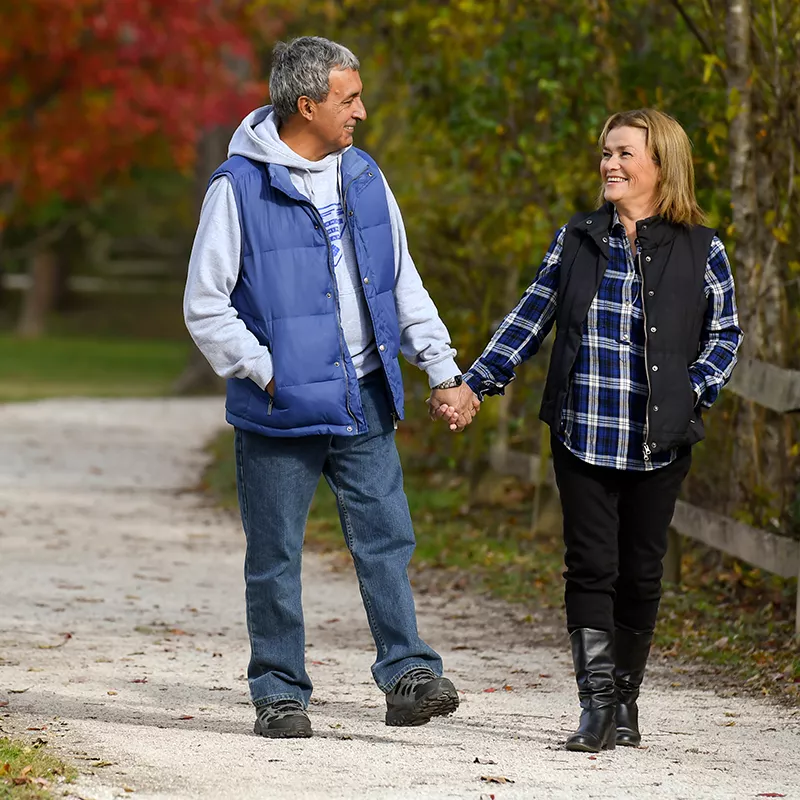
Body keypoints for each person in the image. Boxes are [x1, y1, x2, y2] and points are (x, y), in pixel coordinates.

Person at [184, 36, 477, 738]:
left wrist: (442, 368)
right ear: (306, 104)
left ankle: (408, 675)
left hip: (364, 394)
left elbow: (400, 280)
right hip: (280, 406)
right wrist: (271, 370)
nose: (362, 112)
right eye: (349, 99)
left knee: (386, 538)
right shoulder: (238, 188)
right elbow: (205, 304)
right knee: (276, 553)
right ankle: (279, 693)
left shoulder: (365, 176)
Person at [433, 108, 743, 752]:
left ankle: (626, 702)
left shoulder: (700, 246)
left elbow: (724, 335)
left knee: (643, 572)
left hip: (662, 438)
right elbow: (529, 318)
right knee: (590, 567)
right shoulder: (577, 239)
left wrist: (694, 393)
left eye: (625, 153)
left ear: (661, 163)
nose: (610, 164)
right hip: (583, 432)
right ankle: (596, 705)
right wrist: (473, 383)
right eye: (606, 152)